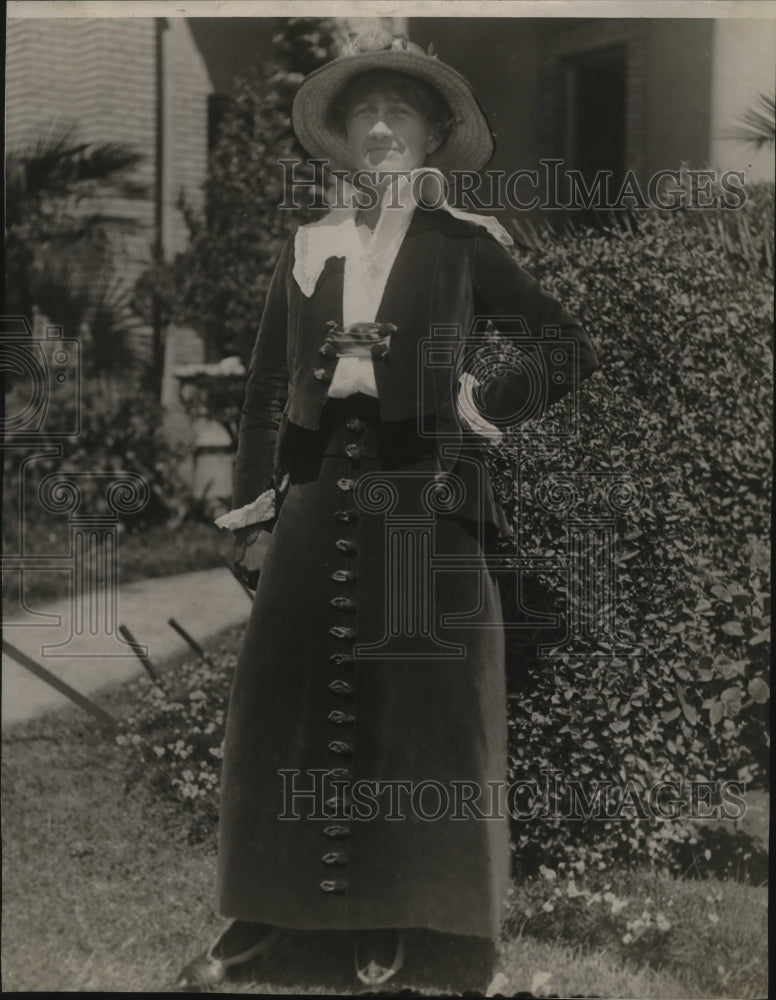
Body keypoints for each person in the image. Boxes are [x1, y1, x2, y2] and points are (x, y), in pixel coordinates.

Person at [175, 32, 599, 991]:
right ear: (343, 137)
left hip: (428, 501)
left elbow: (567, 347)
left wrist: (483, 403)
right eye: (364, 113)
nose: (378, 128)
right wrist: (250, 511)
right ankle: (267, 918)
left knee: (415, 712)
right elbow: (269, 382)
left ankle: (396, 918)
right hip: (318, 493)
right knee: (284, 704)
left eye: (398, 112)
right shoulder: (310, 246)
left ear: (435, 131)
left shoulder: (465, 242)